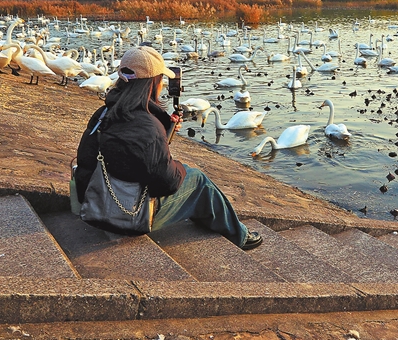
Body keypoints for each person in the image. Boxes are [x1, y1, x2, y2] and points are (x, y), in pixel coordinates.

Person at [74, 45, 263, 250]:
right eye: (161, 80)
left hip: (95, 206)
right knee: (196, 179)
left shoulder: (103, 114)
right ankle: (240, 236)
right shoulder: (147, 127)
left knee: (184, 176)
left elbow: (96, 158)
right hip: (129, 217)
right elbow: (167, 184)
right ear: (152, 83)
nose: (163, 85)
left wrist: (163, 128)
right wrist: (179, 166)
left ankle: (208, 215)